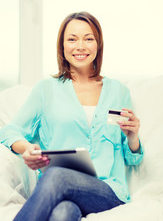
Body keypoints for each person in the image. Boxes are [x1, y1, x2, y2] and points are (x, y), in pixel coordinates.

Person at [0, 12, 144, 221]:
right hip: (58, 192)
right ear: (62, 46)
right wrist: (28, 148)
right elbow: (9, 131)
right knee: (63, 213)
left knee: (56, 175)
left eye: (88, 38)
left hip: (106, 191)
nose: (80, 46)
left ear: (98, 44)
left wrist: (132, 137)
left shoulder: (118, 92)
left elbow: (132, 158)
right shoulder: (45, 91)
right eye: (72, 39)